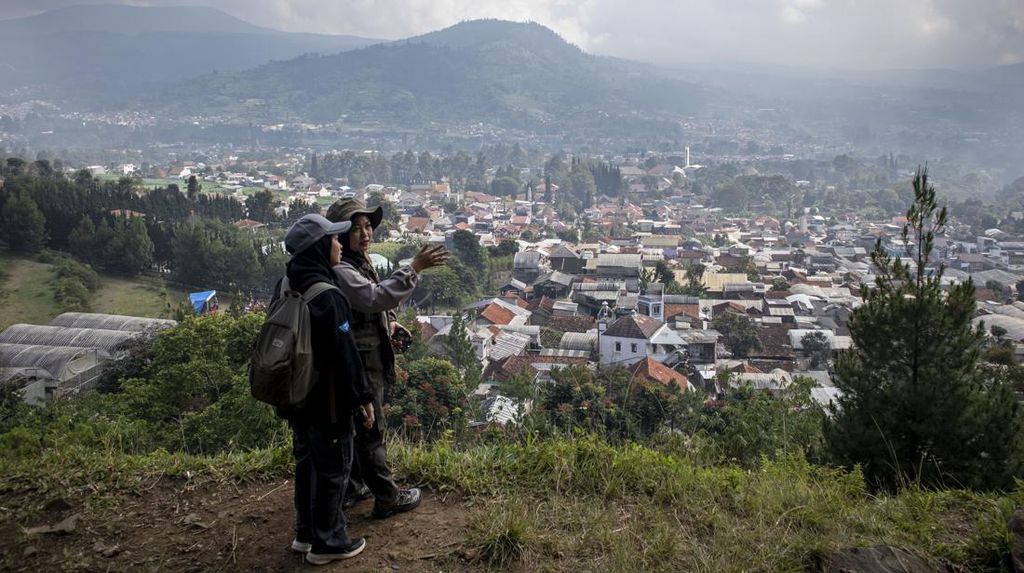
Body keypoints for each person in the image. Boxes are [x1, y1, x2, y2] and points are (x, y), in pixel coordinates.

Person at [325, 198, 449, 518]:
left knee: (356, 425)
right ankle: (387, 496)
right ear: (339, 234)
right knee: (370, 427)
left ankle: (353, 487)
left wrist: (389, 321)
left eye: (368, 226)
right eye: (356, 229)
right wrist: (415, 268)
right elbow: (373, 296)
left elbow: (371, 301)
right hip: (361, 362)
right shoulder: (341, 268)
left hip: (360, 355)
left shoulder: (356, 260)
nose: (365, 233)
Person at [277, 213, 376, 566]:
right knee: (334, 468)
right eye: (333, 239)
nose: (339, 243)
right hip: (328, 401)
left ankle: (305, 534)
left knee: (307, 464)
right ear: (320, 247)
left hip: (297, 396)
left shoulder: (287, 283)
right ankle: (329, 541)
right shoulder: (328, 295)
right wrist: (363, 399)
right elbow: (345, 356)